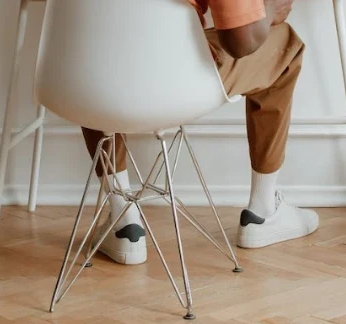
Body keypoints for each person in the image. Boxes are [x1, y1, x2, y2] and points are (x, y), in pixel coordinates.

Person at [81, 0, 319, 265]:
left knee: (91, 54)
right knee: (285, 43)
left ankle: (123, 218)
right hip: (176, 83)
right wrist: (270, 11)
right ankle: (263, 210)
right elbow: (241, 42)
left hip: (85, 80)